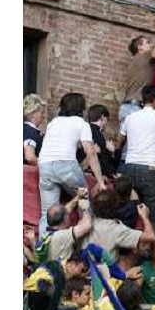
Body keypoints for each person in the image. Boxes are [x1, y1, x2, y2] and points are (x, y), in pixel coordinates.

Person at [38, 93, 106, 236]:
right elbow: (90, 152)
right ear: (81, 108)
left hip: (44, 165)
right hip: (65, 165)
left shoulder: (53, 123)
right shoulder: (82, 123)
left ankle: (43, 253)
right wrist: (100, 181)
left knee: (47, 214)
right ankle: (83, 245)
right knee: (85, 203)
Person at [119, 85, 155, 226]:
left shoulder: (130, 118)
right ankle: (153, 244)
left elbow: (120, 143)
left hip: (129, 168)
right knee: (153, 216)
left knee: (128, 212)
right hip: (150, 170)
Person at [81, 187, 155, 261]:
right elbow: (150, 237)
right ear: (116, 207)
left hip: (84, 265)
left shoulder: (87, 218)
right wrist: (144, 216)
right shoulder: (116, 230)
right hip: (104, 270)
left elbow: (84, 198)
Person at [35, 192, 92, 263]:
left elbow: (64, 210)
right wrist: (84, 207)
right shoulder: (62, 236)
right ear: (65, 220)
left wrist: (78, 197)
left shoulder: (46, 235)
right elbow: (86, 226)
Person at [78, 105, 116, 178]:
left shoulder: (86, 129)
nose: (106, 123)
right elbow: (102, 158)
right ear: (102, 117)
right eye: (107, 120)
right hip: (94, 174)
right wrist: (111, 151)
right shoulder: (97, 133)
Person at [24, 93, 46, 165]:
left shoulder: (26, 129)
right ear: (32, 113)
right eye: (42, 112)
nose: (44, 116)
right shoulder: (30, 131)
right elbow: (30, 157)